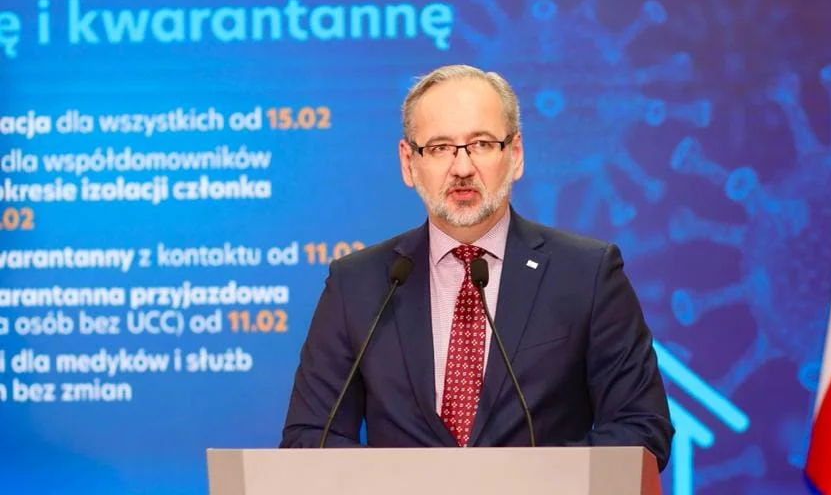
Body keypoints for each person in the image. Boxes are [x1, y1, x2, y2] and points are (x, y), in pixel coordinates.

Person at [279, 64, 674, 471]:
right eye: (439, 148)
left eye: (482, 144)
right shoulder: (357, 284)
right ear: (408, 163)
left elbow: (641, 428)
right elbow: (308, 438)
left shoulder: (587, 274)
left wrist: (521, 481)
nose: (463, 168)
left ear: (515, 155)